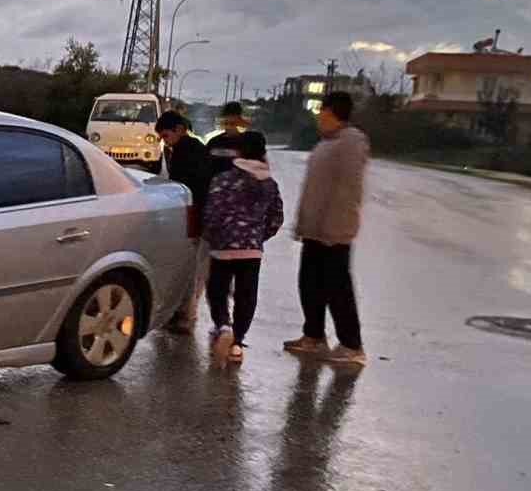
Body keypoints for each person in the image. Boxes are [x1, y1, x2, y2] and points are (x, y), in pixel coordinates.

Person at [285, 91, 370, 367]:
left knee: (337, 288)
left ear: (334, 113)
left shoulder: (352, 143)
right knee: (310, 284)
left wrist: (339, 226)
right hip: (315, 230)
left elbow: (349, 192)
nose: (319, 117)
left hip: (334, 231)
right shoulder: (327, 143)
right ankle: (313, 336)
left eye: (322, 112)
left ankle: (351, 345)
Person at [201, 130, 284, 364]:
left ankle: (223, 326)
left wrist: (212, 236)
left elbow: (211, 212)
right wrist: (258, 237)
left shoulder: (224, 179)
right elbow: (276, 217)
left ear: (238, 152)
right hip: (251, 250)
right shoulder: (269, 184)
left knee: (217, 289)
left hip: (222, 246)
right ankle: (237, 343)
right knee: (247, 295)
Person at [156, 111, 213, 332]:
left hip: (194, 216)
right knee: (190, 267)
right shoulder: (190, 148)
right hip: (196, 215)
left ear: (179, 129)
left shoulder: (187, 151)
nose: (164, 141)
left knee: (189, 268)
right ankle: (183, 313)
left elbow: (184, 188)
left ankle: (185, 316)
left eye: (166, 136)